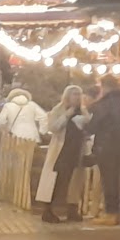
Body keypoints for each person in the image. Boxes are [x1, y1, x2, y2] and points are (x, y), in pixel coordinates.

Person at [33, 86, 89, 225]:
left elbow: (88, 126)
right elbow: (53, 127)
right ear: (67, 96)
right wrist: (66, 116)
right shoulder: (58, 109)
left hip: (76, 150)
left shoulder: (83, 110)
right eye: (74, 94)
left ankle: (72, 208)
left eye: (79, 94)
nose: (77, 97)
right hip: (61, 150)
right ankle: (47, 209)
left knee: (74, 181)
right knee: (55, 180)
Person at [88, 74, 120, 227]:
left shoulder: (104, 104)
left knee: (109, 180)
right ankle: (118, 213)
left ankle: (111, 213)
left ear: (104, 87)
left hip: (106, 146)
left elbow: (93, 125)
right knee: (119, 179)